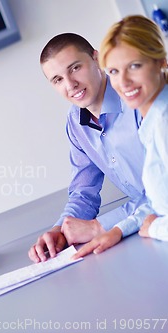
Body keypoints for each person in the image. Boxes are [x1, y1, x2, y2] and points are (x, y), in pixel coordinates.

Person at [28, 33, 148, 263]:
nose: (70, 84)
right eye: (57, 79)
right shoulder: (76, 123)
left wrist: (98, 226)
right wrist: (61, 230)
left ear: (96, 58)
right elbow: (84, 192)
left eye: (75, 68)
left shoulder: (139, 99)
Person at [80, 16, 168, 250]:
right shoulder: (152, 120)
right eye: (114, 71)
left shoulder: (164, 123)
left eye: (135, 66)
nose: (123, 82)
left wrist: (154, 229)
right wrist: (120, 229)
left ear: (161, 61)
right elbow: (163, 203)